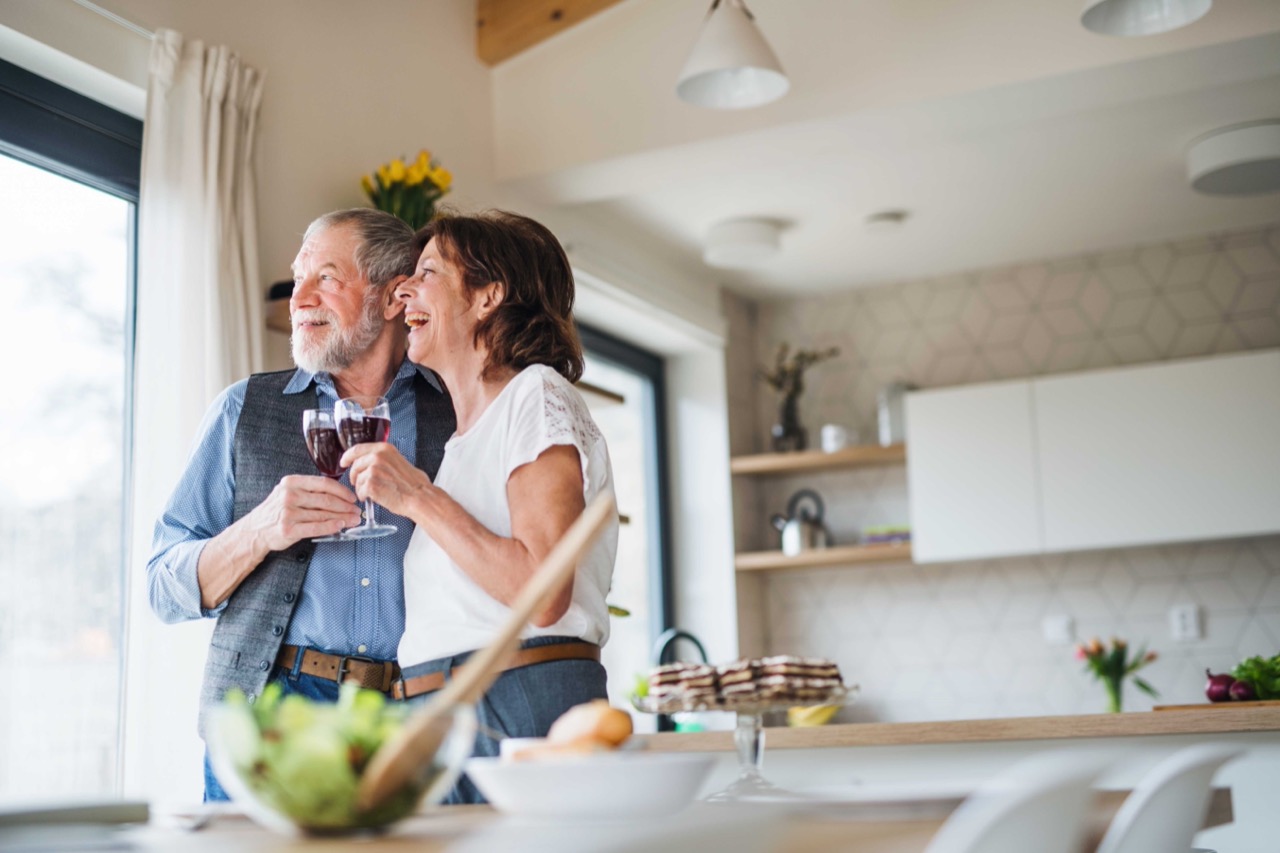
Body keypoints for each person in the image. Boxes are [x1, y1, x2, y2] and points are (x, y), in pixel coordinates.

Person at [146, 208, 456, 801]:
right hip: (271, 714)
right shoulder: (243, 409)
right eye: (298, 277)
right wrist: (258, 530)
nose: (299, 297)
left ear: (395, 298)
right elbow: (164, 587)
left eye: (327, 278)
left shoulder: (459, 408)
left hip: (419, 717)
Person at [343, 210, 618, 804]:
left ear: (490, 294)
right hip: (452, 714)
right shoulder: (465, 440)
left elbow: (544, 594)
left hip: (519, 698)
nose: (404, 290)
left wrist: (417, 497)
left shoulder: (535, 393)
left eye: (428, 273)